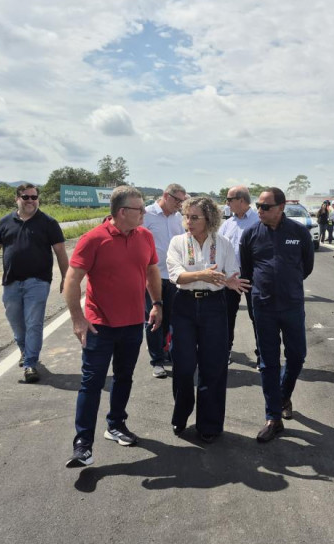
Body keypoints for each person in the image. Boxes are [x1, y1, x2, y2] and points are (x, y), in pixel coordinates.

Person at [64, 186, 163, 468]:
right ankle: (83, 444)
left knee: (124, 377)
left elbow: (151, 270)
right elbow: (72, 279)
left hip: (132, 323)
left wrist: (157, 303)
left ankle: (116, 424)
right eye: (139, 209)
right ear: (122, 212)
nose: (144, 213)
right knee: (92, 382)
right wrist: (77, 318)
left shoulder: (145, 236)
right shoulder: (93, 239)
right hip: (99, 326)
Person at [166, 196, 250, 442]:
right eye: (186, 216)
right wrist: (201, 275)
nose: (188, 222)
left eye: (194, 217)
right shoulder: (178, 242)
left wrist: (231, 281)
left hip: (214, 306)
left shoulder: (222, 243)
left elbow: (231, 272)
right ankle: (181, 414)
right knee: (183, 367)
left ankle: (209, 424)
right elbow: (176, 275)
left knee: (213, 366)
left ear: (209, 219)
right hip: (184, 306)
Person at [240, 187, 314, 443]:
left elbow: (306, 267)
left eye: (265, 207)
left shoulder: (299, 233)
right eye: (258, 206)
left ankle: (283, 396)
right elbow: (247, 271)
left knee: (297, 356)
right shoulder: (251, 234)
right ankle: (273, 417)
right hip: (263, 307)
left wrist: (287, 283)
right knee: (268, 362)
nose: (259, 211)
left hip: (292, 305)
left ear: (281, 208)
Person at [0, 184, 68, 384]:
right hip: (11, 282)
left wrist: (66, 278)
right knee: (17, 323)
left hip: (38, 282)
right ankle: (25, 351)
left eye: (34, 197)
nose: (30, 201)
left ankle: (30, 364)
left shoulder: (48, 223)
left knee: (34, 323)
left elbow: (60, 252)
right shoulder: (5, 222)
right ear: (16, 199)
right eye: (26, 197)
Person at [143, 183, 187, 378]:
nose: (180, 204)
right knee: (154, 317)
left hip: (174, 276)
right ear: (166, 196)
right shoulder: (147, 214)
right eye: (177, 200)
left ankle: (164, 349)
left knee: (170, 318)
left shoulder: (178, 218)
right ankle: (157, 361)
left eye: (182, 201)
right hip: (152, 276)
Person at [218, 186, 260, 365]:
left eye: (229, 199)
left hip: (252, 277)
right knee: (227, 316)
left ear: (241, 200)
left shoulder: (258, 221)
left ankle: (262, 356)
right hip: (230, 278)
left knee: (257, 317)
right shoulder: (227, 224)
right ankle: (225, 351)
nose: (227, 203)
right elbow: (218, 248)